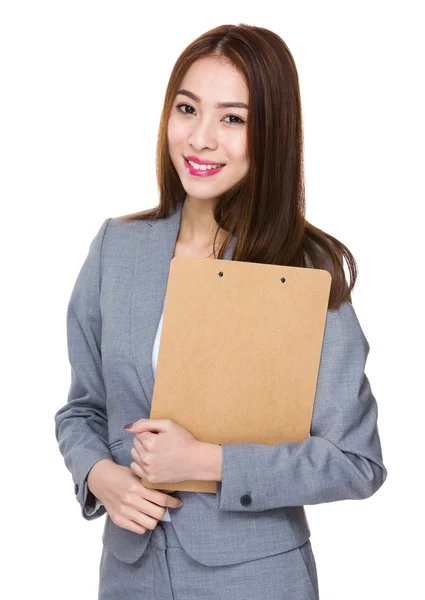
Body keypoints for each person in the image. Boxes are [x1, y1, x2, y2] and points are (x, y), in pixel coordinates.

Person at [54, 23, 388, 600]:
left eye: (232, 118)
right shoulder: (117, 247)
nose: (200, 138)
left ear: (271, 134)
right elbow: (83, 410)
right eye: (188, 109)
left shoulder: (304, 269)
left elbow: (355, 461)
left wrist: (208, 460)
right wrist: (99, 477)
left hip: (255, 578)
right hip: (129, 577)